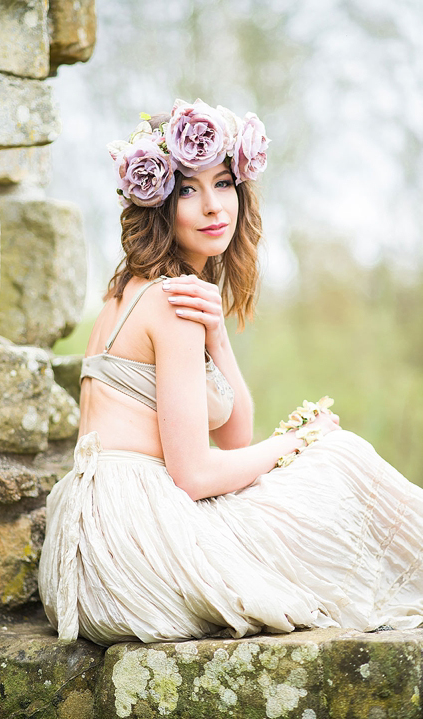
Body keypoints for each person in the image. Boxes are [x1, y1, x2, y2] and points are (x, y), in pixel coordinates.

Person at [38, 100, 423, 646]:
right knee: (340, 457)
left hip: (96, 540)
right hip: (129, 547)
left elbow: (234, 434)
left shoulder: (136, 290)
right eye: (189, 190)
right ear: (159, 205)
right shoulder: (170, 301)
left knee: (324, 468)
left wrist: (218, 336)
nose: (214, 206)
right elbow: (195, 475)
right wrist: (300, 441)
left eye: (224, 183)